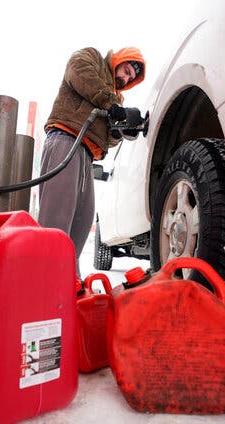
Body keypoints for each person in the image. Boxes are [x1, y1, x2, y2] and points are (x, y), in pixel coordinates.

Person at [38, 47, 146, 277]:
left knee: (81, 222)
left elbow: (106, 137)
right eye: (126, 70)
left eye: (130, 78)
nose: (125, 78)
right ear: (118, 60)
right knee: (56, 221)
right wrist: (112, 105)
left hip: (87, 154)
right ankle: (44, 284)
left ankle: (67, 284)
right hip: (66, 139)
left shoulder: (116, 98)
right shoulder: (92, 58)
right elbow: (79, 73)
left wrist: (120, 132)